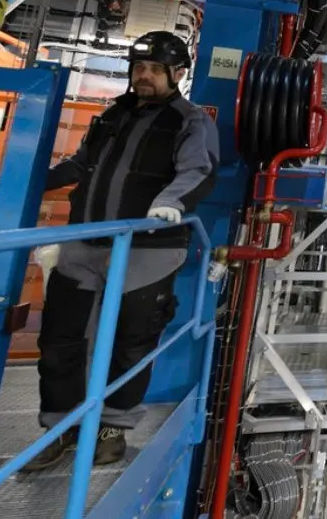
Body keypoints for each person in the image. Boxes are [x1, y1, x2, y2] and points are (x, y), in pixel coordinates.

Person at [24, 31, 219, 470]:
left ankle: (112, 428)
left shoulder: (190, 121)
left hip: (147, 249)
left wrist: (170, 203)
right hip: (86, 240)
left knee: (131, 342)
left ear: (178, 74)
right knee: (60, 337)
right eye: (139, 69)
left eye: (153, 70)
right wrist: (35, 181)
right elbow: (80, 164)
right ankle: (61, 428)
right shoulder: (113, 115)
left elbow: (198, 169)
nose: (144, 77)